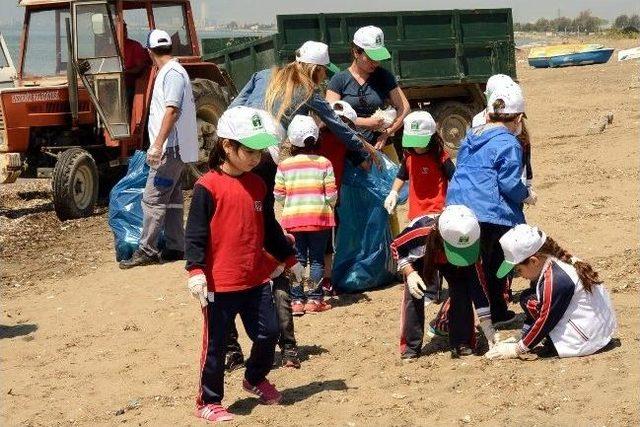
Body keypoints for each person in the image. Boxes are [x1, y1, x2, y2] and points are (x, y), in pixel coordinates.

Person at [185, 106, 299, 422]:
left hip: (255, 278)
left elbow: (269, 229)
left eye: (260, 150)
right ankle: (208, 401)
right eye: (249, 150)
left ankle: (254, 378)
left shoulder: (259, 185)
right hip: (219, 284)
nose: (255, 157)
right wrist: (195, 270)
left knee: (269, 331)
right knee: (216, 346)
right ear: (227, 145)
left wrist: (289, 258)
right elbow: (194, 232)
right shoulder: (207, 187)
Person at [446, 83, 537, 325]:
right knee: (499, 264)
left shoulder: (470, 136)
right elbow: (508, 183)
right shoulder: (509, 143)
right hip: (491, 213)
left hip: (459, 210)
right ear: (518, 118)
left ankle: (451, 321)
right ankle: (497, 312)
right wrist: (525, 194)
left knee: (466, 269)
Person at [120, 29, 198, 269]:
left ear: (149, 51)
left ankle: (147, 250)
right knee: (172, 198)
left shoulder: (171, 73)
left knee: (152, 199)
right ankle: (176, 246)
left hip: (170, 149)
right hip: (176, 148)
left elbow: (171, 110)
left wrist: (156, 144)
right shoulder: (174, 71)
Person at [230, 40, 377, 166]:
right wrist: (364, 147)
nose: (325, 76)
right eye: (325, 71)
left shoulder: (262, 75)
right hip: (265, 153)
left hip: (236, 142)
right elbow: (338, 125)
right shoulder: (309, 93)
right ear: (316, 69)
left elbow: (232, 108)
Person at [486, 225, 616, 359]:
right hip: (597, 332)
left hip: (584, 341)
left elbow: (545, 319)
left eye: (518, 270)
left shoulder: (556, 280)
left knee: (529, 301)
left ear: (534, 261)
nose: (520, 275)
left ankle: (554, 342)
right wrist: (524, 334)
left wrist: (518, 348)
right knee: (527, 297)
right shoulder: (555, 262)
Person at [392, 205, 496, 359]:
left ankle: (462, 342)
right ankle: (410, 347)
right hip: (421, 258)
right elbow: (396, 246)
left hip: (451, 260)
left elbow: (477, 285)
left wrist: (487, 325)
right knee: (415, 295)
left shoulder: (472, 237)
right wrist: (410, 273)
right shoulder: (421, 232)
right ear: (441, 237)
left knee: (462, 291)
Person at [274, 115, 337, 315]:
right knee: (317, 259)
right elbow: (332, 194)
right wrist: (326, 206)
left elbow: (278, 194)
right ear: (316, 138)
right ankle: (315, 300)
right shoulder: (324, 163)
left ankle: (296, 301)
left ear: (291, 140)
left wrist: (291, 205)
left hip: (294, 220)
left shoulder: (284, 165)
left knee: (297, 259)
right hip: (320, 219)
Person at [326, 25, 410, 161]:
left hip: (382, 148)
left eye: (378, 57)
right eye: (371, 57)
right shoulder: (339, 80)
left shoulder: (384, 76)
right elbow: (330, 116)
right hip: (351, 151)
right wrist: (365, 122)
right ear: (356, 52)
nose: (376, 62)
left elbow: (404, 107)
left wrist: (387, 133)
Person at [384, 111, 455, 219]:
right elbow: (401, 176)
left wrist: (453, 202)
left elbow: (455, 179)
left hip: (437, 211)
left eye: (419, 141)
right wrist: (393, 193)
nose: (416, 146)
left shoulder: (441, 157)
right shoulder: (409, 156)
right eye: (412, 141)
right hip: (415, 213)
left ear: (432, 137)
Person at [122, 22, 151, 106]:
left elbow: (140, 68)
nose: (124, 32)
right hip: (111, 84)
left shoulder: (135, 46)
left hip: (130, 84)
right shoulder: (109, 47)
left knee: (126, 95)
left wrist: (125, 72)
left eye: (125, 30)